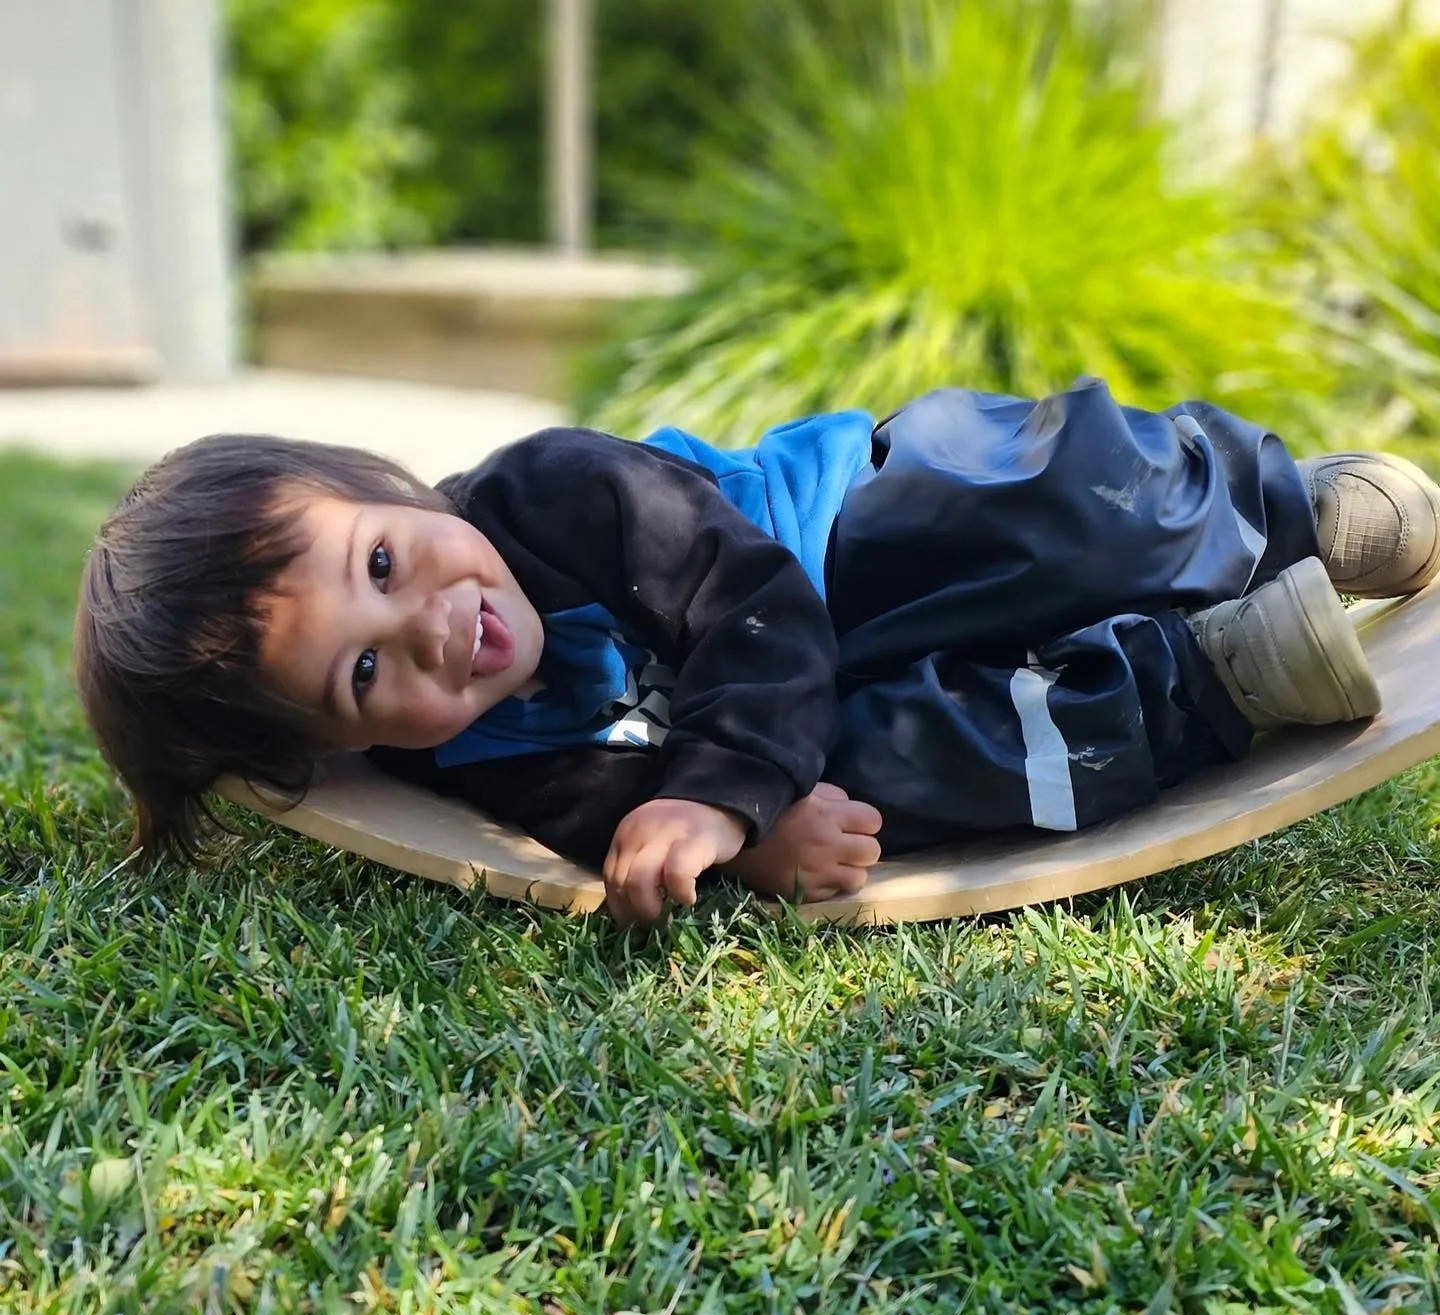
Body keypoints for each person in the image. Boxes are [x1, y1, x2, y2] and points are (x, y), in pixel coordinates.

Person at [74, 379, 1440, 925]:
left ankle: (1284, 510)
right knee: (893, 778)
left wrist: (719, 786)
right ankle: (1219, 677)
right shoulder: (478, 758)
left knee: (1030, 504)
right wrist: (760, 836)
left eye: (381, 562)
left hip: (850, 527)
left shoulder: (554, 491)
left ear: (388, 483)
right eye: (364, 674)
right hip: (820, 699)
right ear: (346, 745)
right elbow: (605, 809)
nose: (428, 624)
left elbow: (750, 605)